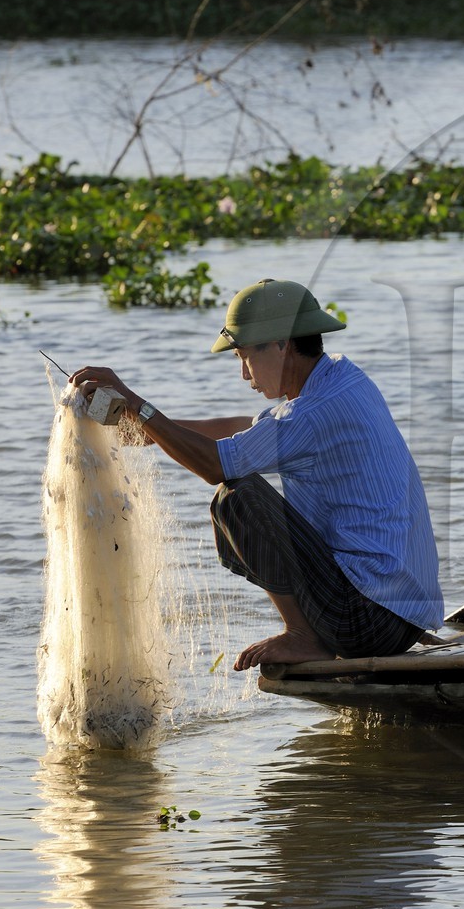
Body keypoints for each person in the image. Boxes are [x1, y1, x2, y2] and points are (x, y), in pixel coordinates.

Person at [71, 278, 443, 670]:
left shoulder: (312, 414)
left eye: (243, 356)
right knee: (241, 484)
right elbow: (242, 429)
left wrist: (137, 405)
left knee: (237, 497)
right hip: (401, 615)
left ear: (281, 344)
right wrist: (144, 430)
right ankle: (322, 630)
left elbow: (214, 466)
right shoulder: (342, 380)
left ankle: (302, 636)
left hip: (369, 623)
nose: (245, 374)